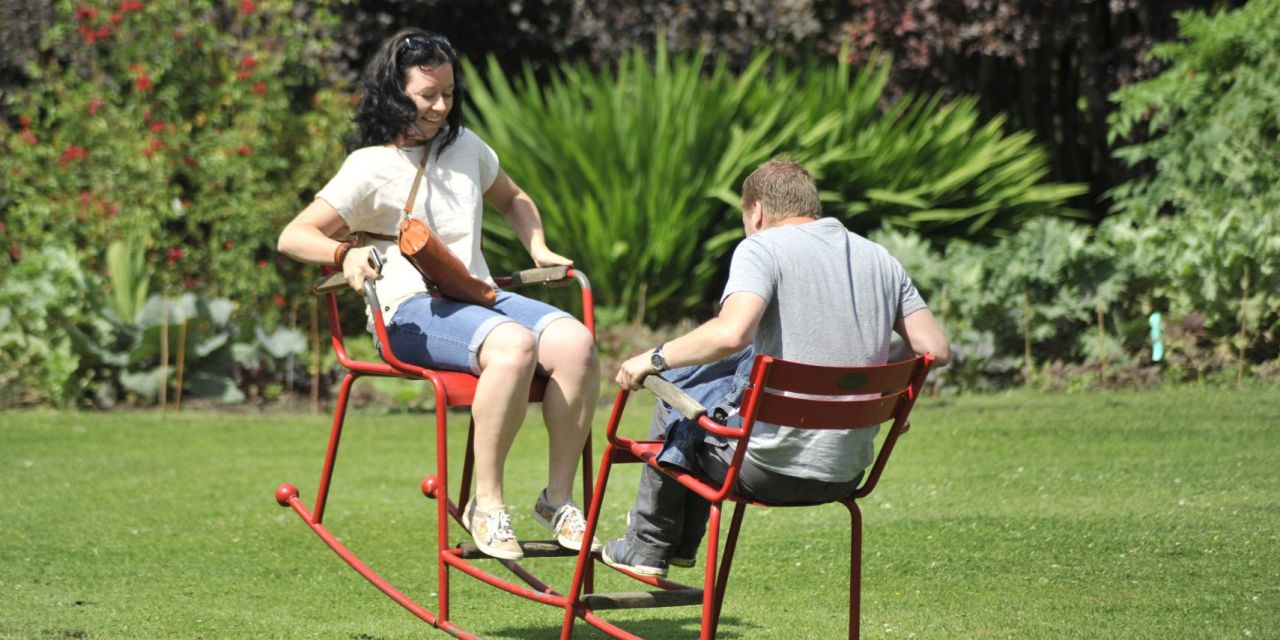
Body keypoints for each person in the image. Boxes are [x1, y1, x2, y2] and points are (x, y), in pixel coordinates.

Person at [277, 28, 600, 561]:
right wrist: (345, 255)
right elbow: (294, 235)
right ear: (394, 91)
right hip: (406, 314)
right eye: (427, 94)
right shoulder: (370, 165)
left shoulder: (466, 147)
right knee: (515, 345)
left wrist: (538, 246)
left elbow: (514, 197)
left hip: (477, 297)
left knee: (577, 344)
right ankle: (487, 504)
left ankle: (557, 498)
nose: (441, 105)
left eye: (448, 93)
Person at [602, 158, 951, 577]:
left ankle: (648, 547)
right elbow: (935, 348)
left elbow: (732, 334)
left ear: (757, 212)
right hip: (846, 471)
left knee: (671, 389)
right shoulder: (879, 258)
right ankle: (671, 547)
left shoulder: (761, 247)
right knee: (703, 394)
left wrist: (652, 358)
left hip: (764, 469)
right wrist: (882, 399)